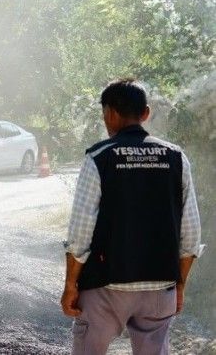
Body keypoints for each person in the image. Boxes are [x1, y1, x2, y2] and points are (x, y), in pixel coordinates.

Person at [61, 79, 204, 354]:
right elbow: (191, 235)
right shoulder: (176, 158)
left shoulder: (99, 157)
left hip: (106, 285)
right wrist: (180, 285)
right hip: (160, 287)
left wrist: (70, 286)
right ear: (146, 113)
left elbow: (80, 234)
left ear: (110, 113)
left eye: (104, 114)